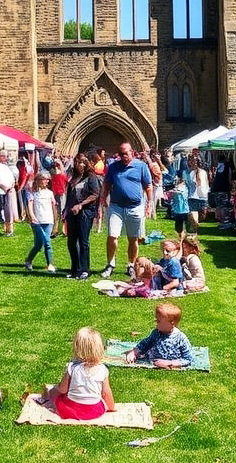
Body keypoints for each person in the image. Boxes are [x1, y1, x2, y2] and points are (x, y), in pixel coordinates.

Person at [98, 143, 153, 279]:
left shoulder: (141, 166)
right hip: (116, 207)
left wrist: (150, 202)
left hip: (135, 207)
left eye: (126, 153)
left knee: (133, 239)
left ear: (132, 153)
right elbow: (107, 184)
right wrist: (103, 197)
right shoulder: (113, 167)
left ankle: (131, 265)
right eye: (121, 154)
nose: (123, 156)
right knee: (112, 236)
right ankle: (110, 264)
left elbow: (148, 185)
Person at [43, 326, 115, 420]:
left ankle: (47, 394)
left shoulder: (72, 367)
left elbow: (63, 389)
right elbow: (106, 393)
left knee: (56, 393)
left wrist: (54, 389)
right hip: (94, 411)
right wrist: (111, 407)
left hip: (72, 410)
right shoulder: (103, 369)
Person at [124, 302, 195, 369]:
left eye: (158, 321)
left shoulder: (180, 338)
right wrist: (134, 352)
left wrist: (170, 363)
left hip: (169, 361)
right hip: (152, 360)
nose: (155, 322)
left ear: (171, 323)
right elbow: (145, 344)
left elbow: (188, 359)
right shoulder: (156, 333)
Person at [64, 154, 101, 280]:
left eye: (83, 162)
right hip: (71, 212)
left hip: (85, 212)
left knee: (83, 241)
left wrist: (80, 205)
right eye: (79, 162)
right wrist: (65, 210)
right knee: (71, 242)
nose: (81, 165)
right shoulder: (74, 177)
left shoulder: (91, 177)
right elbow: (70, 195)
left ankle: (84, 269)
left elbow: (95, 195)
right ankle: (74, 269)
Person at [25, 172, 56, 273]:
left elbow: (53, 208)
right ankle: (29, 260)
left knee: (47, 242)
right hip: (37, 221)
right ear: (38, 180)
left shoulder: (50, 193)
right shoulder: (33, 193)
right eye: (43, 179)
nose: (45, 181)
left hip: (48, 221)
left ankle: (50, 264)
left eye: (47, 179)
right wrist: (32, 217)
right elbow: (30, 205)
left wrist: (55, 222)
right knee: (38, 244)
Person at [209, 153, 236, 225]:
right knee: (224, 205)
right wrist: (231, 186)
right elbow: (229, 178)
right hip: (223, 188)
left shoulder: (217, 166)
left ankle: (220, 220)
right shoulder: (227, 166)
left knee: (219, 205)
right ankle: (225, 221)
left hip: (215, 188)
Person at [169, 176, 192, 244]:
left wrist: (176, 191)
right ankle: (180, 237)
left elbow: (182, 193)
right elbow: (173, 195)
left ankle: (187, 237)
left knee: (187, 225)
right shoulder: (175, 189)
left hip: (185, 210)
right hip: (177, 210)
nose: (177, 184)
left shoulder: (185, 189)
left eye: (178, 182)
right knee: (178, 226)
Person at [187, 154, 209, 223]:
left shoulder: (203, 172)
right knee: (194, 215)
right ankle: (194, 228)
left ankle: (195, 226)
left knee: (203, 216)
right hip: (193, 196)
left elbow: (206, 182)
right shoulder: (190, 173)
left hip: (203, 196)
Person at [50, 160, 68, 238]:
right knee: (59, 212)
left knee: (59, 212)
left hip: (59, 194)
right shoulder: (60, 175)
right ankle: (60, 229)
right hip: (59, 194)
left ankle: (60, 229)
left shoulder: (55, 175)